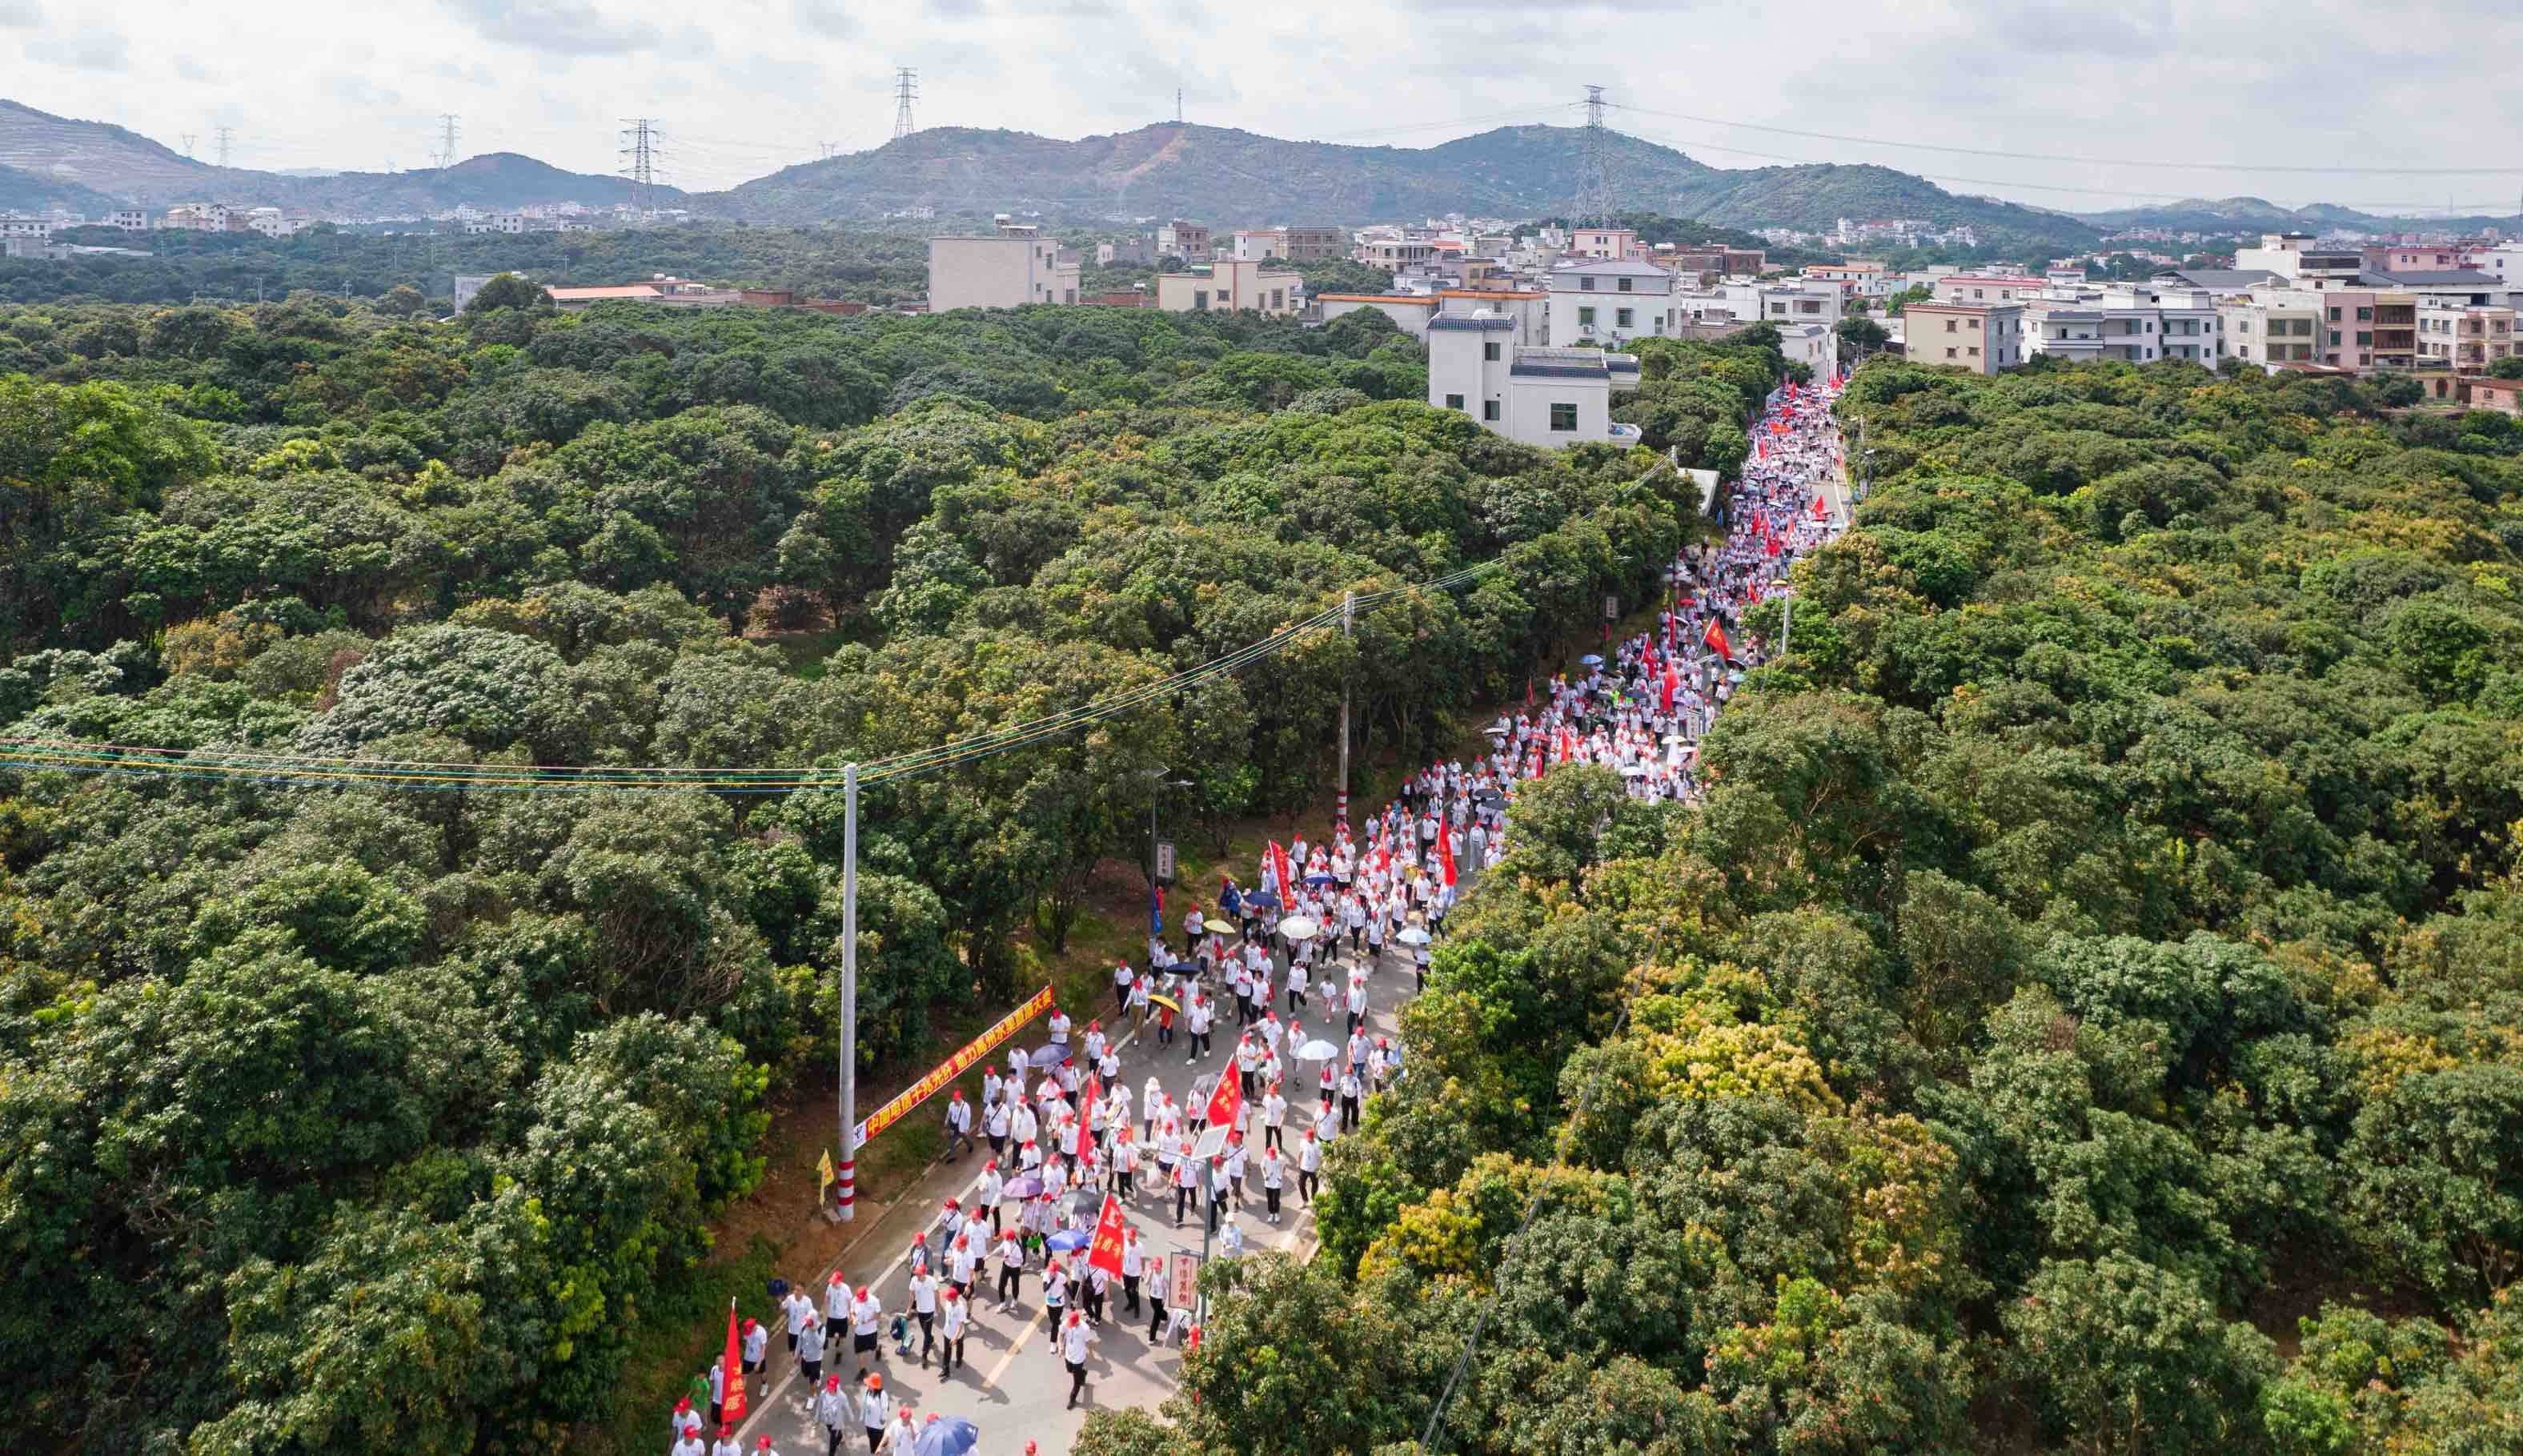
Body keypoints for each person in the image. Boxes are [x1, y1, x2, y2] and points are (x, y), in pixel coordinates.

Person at [1061, 1308, 1097, 1409]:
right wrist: (1060, 1346)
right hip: (1068, 1355)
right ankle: (1083, 1373)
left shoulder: (1085, 1329)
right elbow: (1060, 1334)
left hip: (1079, 1358)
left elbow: (1088, 1342)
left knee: (1076, 1382)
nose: (1070, 1326)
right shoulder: (1067, 1322)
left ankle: (1072, 1399)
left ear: (1077, 1321)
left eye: (1072, 1324)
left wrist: (1091, 1353)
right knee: (1069, 1370)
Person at [906, 1267, 937, 1368]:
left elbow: (937, 1293)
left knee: (926, 1334)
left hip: (929, 1311)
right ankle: (931, 1339)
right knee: (925, 1331)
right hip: (920, 1311)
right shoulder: (914, 1280)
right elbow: (912, 1295)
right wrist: (909, 1309)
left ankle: (924, 1355)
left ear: (924, 1273)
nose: (917, 1276)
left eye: (919, 1274)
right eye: (916, 1274)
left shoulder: (931, 1281)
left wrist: (938, 1307)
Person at [813, 1374, 851, 1456]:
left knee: (833, 1440)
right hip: (827, 1420)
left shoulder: (842, 1396)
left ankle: (831, 1453)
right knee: (833, 1432)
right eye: (829, 1385)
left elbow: (846, 1408)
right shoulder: (823, 1393)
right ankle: (840, 1436)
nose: (830, 1388)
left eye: (832, 1386)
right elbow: (819, 1406)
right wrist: (817, 1419)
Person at [937, 1284, 969, 1378]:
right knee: (947, 1352)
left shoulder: (960, 1308)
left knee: (959, 1347)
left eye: (948, 1297)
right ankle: (945, 1370)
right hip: (947, 1333)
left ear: (953, 1299)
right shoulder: (948, 1303)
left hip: (958, 1335)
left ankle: (959, 1360)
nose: (946, 1299)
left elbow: (960, 1324)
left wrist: (955, 1337)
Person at [795, 1310, 825, 1389]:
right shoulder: (804, 1327)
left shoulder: (822, 1329)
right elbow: (799, 1341)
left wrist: (815, 1332)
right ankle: (819, 1374)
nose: (807, 1324)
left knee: (812, 1381)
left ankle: (813, 1394)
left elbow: (821, 1345)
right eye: (807, 1321)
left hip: (816, 1358)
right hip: (806, 1357)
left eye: (809, 1322)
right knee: (806, 1374)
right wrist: (796, 1355)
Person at [1120, 1227, 1146, 1316]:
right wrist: (1121, 1268)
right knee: (1127, 1289)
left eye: (1131, 1239)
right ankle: (1131, 1303)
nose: (1129, 1241)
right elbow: (1122, 1255)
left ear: (1135, 1237)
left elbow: (1142, 1260)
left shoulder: (1140, 1246)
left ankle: (1137, 1309)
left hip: (1135, 1273)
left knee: (1134, 1292)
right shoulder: (1125, 1243)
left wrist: (1143, 1272)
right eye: (1128, 1239)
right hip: (1126, 1272)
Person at [857, 1376, 886, 1455]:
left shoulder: (882, 1395)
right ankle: (873, 1451)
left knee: (877, 1441)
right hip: (869, 1423)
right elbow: (864, 1403)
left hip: (878, 1426)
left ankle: (878, 1452)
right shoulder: (867, 1391)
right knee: (871, 1438)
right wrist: (862, 1416)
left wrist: (883, 1418)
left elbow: (885, 1408)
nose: (867, 1385)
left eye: (869, 1384)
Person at [943, 1089, 974, 1159]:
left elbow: (968, 1118)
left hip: (962, 1127)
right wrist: (946, 1120)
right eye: (954, 1100)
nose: (955, 1102)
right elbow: (949, 1113)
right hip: (953, 1126)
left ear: (960, 1098)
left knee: (965, 1138)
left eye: (956, 1100)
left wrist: (967, 1128)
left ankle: (971, 1145)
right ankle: (952, 1156)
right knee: (951, 1141)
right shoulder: (951, 1105)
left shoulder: (966, 1107)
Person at [740, 1316, 767, 1396]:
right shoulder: (746, 1330)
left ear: (754, 1326)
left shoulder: (762, 1332)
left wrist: (759, 1363)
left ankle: (765, 1385)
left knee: (763, 1373)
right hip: (748, 1357)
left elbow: (763, 1349)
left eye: (750, 1330)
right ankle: (742, 1395)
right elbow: (745, 1341)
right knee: (744, 1376)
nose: (748, 1332)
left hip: (758, 1358)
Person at [1261, 1144, 1285, 1223]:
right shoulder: (1265, 1158)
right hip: (1268, 1183)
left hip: (1277, 1182)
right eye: (1270, 1156)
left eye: (1273, 1156)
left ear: (1275, 1155)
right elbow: (1262, 1167)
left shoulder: (1280, 1159)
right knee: (1270, 1199)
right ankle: (1271, 1214)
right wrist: (1265, 1176)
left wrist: (1281, 1177)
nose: (1271, 1158)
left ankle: (1277, 1214)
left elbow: (1284, 1167)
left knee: (1276, 1199)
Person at [1298, 1126, 1322, 1205]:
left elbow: (1321, 1157)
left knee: (1315, 1185)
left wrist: (1320, 1168)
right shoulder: (1303, 1142)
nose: (1308, 1139)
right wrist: (1299, 1163)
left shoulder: (1318, 1145)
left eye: (1309, 1138)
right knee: (1301, 1184)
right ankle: (1305, 1200)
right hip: (1304, 1168)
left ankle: (1313, 1198)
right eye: (1307, 1137)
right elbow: (1301, 1153)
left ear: (1313, 1137)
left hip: (1314, 1169)